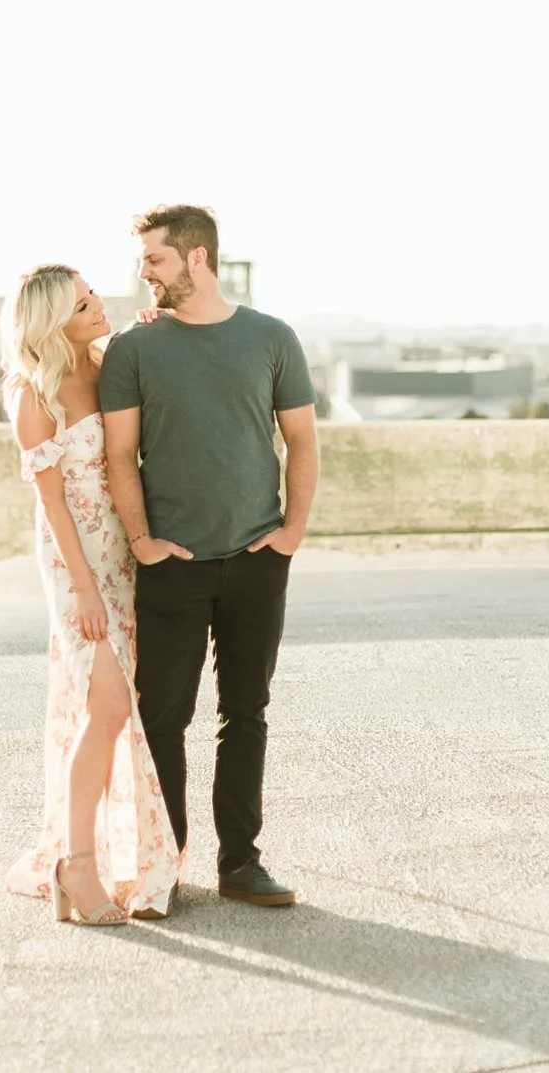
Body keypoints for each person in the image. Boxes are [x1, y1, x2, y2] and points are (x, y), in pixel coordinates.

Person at [100, 205, 319, 908]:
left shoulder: (272, 337)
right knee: (163, 720)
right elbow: (119, 455)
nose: (144, 272)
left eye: (155, 259)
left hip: (257, 557)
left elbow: (302, 441)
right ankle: (163, 866)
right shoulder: (135, 349)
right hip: (172, 564)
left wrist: (291, 533)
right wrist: (143, 542)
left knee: (246, 713)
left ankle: (240, 864)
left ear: (197, 257)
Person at [1, 264, 179, 925]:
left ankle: (86, 859)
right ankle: (76, 863)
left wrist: (157, 333)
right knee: (107, 705)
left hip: (123, 556)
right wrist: (82, 591)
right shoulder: (34, 394)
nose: (97, 305)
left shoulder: (109, 364)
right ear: (53, 323)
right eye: (81, 305)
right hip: (74, 563)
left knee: (108, 711)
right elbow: (52, 506)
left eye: (92, 293)